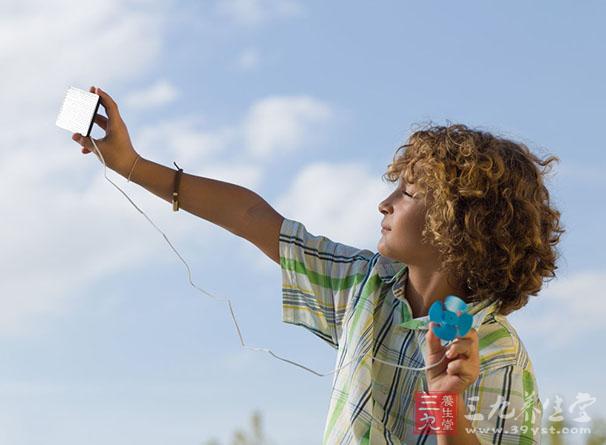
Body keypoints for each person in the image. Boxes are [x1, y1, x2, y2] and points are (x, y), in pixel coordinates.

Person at [72, 86, 565, 444]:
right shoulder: (366, 287)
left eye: (408, 192)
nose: (385, 203)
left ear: (460, 224)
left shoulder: (498, 353)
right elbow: (251, 217)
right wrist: (131, 164)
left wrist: (446, 401)